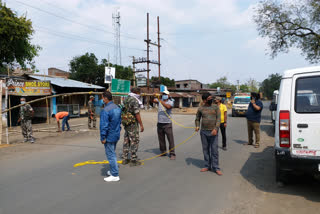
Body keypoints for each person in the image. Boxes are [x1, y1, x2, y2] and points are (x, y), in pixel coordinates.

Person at [195, 92, 222, 175]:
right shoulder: (200, 108)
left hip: (213, 132)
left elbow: (218, 119)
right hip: (203, 132)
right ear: (204, 100)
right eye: (209, 99)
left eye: (211, 98)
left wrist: (216, 128)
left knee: (214, 150)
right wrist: (197, 126)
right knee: (205, 149)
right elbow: (197, 118)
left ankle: (216, 167)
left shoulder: (215, 107)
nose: (211, 100)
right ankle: (207, 166)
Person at [100, 91, 122, 182]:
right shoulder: (117, 107)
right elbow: (119, 122)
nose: (102, 99)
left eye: (102, 98)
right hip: (116, 134)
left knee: (111, 155)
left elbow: (104, 125)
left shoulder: (106, 110)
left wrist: (103, 137)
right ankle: (113, 171)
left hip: (109, 135)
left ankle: (115, 174)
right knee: (112, 153)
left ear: (105, 98)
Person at [121, 87, 144, 167]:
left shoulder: (126, 99)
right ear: (136, 92)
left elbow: (123, 109)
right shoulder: (134, 100)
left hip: (126, 122)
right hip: (133, 123)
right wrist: (141, 124)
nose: (140, 94)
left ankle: (125, 158)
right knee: (134, 140)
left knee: (126, 140)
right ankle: (133, 159)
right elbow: (137, 113)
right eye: (139, 92)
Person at [153, 90, 176, 160]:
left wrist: (159, 99)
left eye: (165, 94)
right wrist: (155, 96)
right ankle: (163, 152)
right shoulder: (160, 99)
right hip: (160, 123)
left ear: (168, 95)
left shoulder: (171, 101)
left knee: (170, 139)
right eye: (163, 94)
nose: (164, 95)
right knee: (161, 139)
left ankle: (172, 153)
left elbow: (168, 107)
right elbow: (154, 100)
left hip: (167, 123)